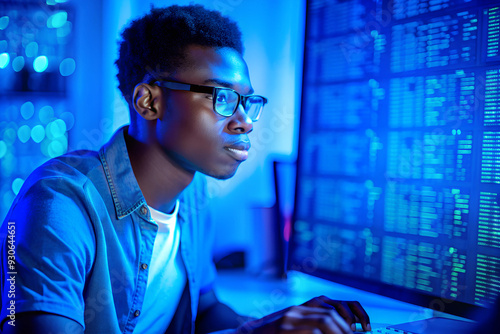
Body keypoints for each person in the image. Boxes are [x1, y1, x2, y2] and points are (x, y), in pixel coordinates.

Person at [0, 4, 371, 334]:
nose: (245, 121)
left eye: (248, 101)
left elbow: (205, 311)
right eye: (222, 98)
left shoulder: (192, 196)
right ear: (149, 102)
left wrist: (284, 323)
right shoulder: (58, 206)